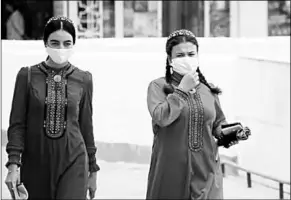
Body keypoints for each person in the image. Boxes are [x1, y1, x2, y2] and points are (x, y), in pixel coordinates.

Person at [5, 16, 100, 199]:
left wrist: (93, 170)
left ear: (73, 44)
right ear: (45, 43)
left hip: (74, 162)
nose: (61, 49)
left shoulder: (84, 79)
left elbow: (86, 127)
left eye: (67, 43)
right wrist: (13, 165)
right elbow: (17, 125)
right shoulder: (27, 76)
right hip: (35, 165)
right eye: (55, 43)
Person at [146, 29, 246, 199]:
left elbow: (217, 125)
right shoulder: (158, 87)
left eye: (191, 54)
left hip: (206, 172)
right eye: (180, 55)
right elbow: (161, 117)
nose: (186, 58)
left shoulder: (208, 89)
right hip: (171, 172)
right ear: (170, 59)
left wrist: (233, 132)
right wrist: (181, 91)